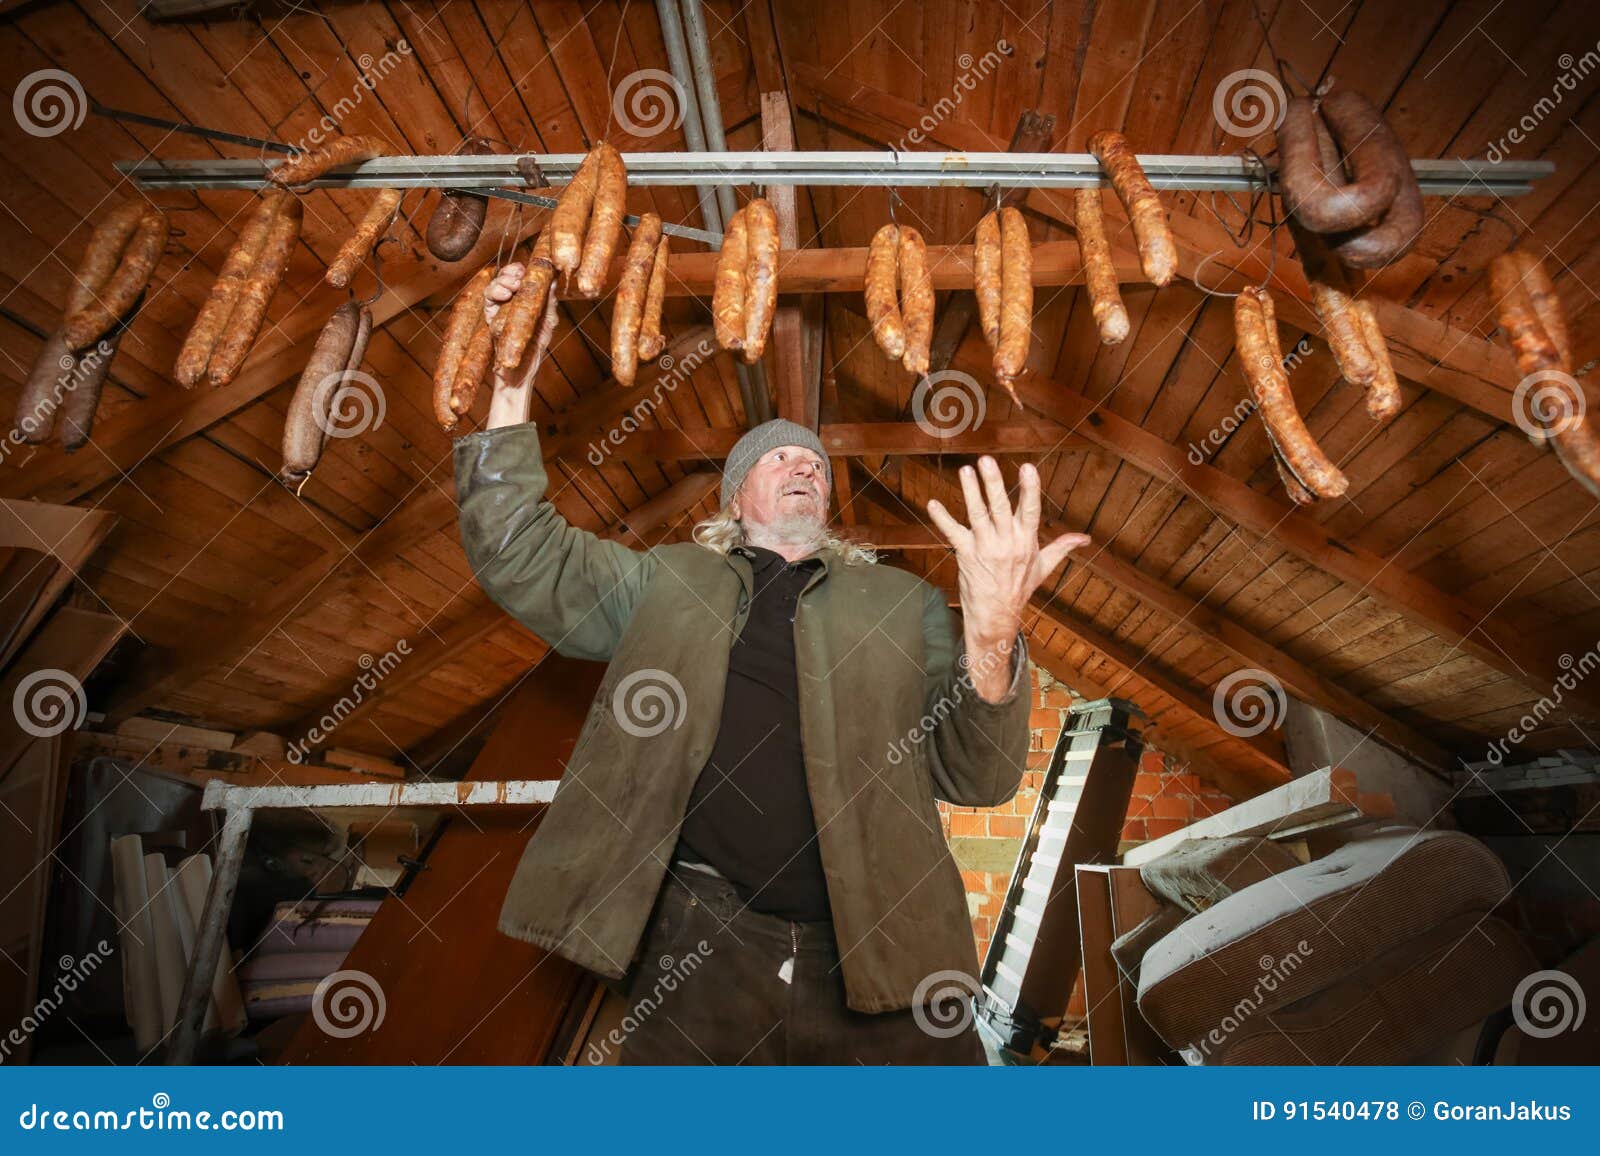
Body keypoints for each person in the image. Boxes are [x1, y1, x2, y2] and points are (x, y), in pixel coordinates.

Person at [453, 259, 1090, 1064]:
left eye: (817, 465)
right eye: (778, 458)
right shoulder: (663, 580)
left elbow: (980, 779)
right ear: (733, 497)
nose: (806, 467)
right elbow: (522, 555)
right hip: (700, 948)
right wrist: (511, 384)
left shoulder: (901, 603)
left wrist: (993, 631)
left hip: (888, 951)